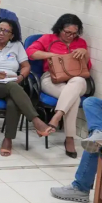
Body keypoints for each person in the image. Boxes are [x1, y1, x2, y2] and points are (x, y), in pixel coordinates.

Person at [0, 19, 55, 156]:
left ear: (11, 35)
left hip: (13, 82)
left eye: (6, 31)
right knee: (13, 88)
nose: (1, 33)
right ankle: (36, 121)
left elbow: (26, 66)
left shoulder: (16, 46)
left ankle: (8, 139)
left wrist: (21, 77)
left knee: (13, 101)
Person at [27, 14, 91, 158]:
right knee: (74, 98)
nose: (70, 36)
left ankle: (56, 117)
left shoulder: (80, 42)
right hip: (51, 77)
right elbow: (30, 53)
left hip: (75, 78)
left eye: (74, 33)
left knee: (78, 81)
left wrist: (85, 53)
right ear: (59, 29)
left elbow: (87, 67)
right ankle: (69, 138)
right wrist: (51, 55)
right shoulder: (48, 39)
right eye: (67, 32)